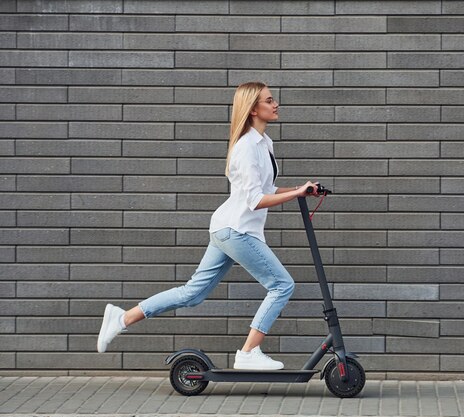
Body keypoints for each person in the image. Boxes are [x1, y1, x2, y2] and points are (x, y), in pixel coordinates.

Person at [96, 81, 320, 370]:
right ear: (253, 109)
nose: (275, 104)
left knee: (192, 293)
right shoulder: (246, 148)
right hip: (237, 229)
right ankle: (249, 352)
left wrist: (300, 189)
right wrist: (296, 194)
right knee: (282, 285)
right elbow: (254, 200)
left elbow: (267, 189)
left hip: (227, 228)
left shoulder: (264, 144)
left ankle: (122, 318)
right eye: (269, 100)